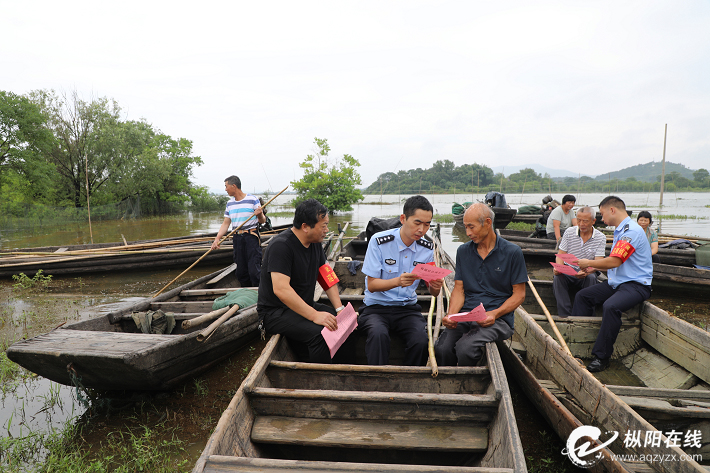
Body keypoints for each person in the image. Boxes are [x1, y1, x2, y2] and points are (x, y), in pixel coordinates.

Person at [257, 199, 355, 364]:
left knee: (341, 322)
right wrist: (314, 315)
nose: (326, 230)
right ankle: (319, 378)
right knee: (320, 334)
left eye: (327, 225)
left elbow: (326, 275)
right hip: (275, 312)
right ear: (305, 227)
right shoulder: (281, 246)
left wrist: (339, 309)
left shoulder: (315, 242)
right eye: (323, 226)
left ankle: (342, 367)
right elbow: (281, 290)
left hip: (303, 304)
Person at [435, 203, 527, 366]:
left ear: (488, 223)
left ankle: (466, 387)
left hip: (498, 320)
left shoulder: (512, 252)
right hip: (466, 315)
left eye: (472, 227)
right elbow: (459, 289)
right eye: (465, 227)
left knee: (465, 349)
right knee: (442, 348)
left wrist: (495, 314)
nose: (468, 233)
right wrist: (451, 315)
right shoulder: (463, 251)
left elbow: (519, 294)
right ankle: (448, 385)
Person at [359, 195, 444, 366]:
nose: (422, 230)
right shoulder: (379, 242)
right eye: (417, 223)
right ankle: (378, 380)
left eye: (427, 225)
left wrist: (435, 286)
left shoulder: (427, 248)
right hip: (376, 308)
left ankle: (409, 379)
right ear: (403, 219)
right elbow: (372, 285)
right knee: (378, 335)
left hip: (407, 309)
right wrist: (397, 282)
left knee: (421, 341)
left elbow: (433, 291)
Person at [572, 196, 653, 373]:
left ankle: (602, 357)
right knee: (583, 296)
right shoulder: (620, 230)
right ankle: (578, 341)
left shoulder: (631, 231)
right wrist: (593, 268)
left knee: (611, 306)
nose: (602, 219)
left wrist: (589, 263)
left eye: (602, 214)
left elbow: (615, 261)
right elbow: (615, 263)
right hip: (617, 283)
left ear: (612, 210)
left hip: (637, 285)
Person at [211, 176, 266, 287]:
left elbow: (262, 221)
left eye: (226, 186)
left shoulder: (252, 199)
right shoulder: (230, 204)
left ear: (234, 186)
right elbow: (226, 223)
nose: (225, 189)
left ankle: (259, 293)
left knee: (254, 269)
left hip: (251, 237)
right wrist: (217, 239)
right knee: (241, 271)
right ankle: (245, 292)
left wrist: (260, 214)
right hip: (237, 239)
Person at [553, 206, 607, 317]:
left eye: (585, 221)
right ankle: (564, 315)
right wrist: (558, 267)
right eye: (578, 220)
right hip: (569, 270)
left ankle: (586, 316)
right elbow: (561, 254)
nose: (581, 224)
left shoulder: (600, 237)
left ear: (593, 221)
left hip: (588, 271)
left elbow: (598, 262)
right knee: (558, 277)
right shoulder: (569, 232)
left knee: (591, 278)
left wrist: (587, 271)